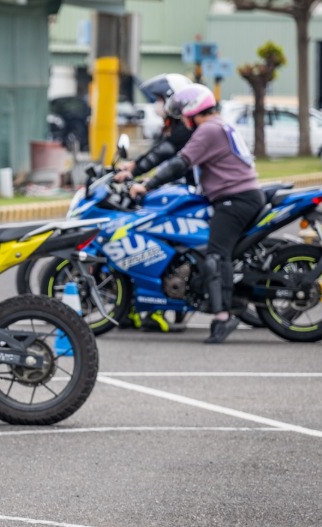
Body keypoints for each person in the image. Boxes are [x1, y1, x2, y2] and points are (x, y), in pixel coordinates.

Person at [129, 84, 262, 344]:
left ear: (192, 111)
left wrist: (146, 185)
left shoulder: (208, 130)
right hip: (237, 196)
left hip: (234, 200)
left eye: (183, 115)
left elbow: (180, 163)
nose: (182, 121)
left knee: (215, 255)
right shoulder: (219, 125)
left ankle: (222, 318)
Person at [114, 73, 194, 333]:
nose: (157, 105)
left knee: (153, 236)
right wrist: (135, 169)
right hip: (186, 192)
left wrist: (138, 174)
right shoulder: (175, 127)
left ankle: (154, 306)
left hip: (194, 196)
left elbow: (165, 156)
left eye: (161, 99)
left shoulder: (185, 128)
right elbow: (159, 153)